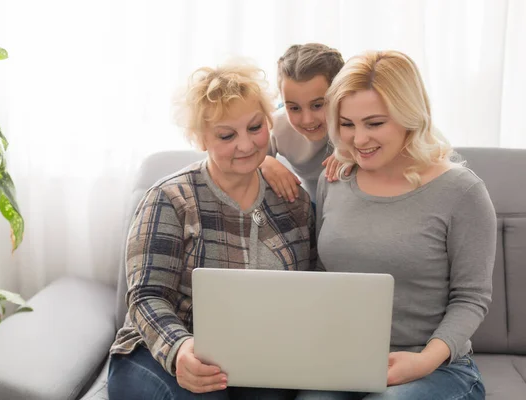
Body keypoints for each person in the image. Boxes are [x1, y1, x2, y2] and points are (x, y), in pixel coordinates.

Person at [107, 62, 316, 400]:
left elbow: (312, 291)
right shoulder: (170, 199)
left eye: (255, 127)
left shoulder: (293, 201)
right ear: (200, 138)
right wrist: (181, 350)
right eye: (226, 135)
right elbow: (146, 297)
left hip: (254, 356)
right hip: (157, 352)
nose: (246, 145)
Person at [297, 50, 497, 400]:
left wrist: (422, 362)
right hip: (346, 362)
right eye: (347, 124)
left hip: (438, 369)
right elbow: (321, 273)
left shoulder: (462, 191)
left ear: (409, 117)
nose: (359, 140)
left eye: (374, 124)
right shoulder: (334, 180)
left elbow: (471, 298)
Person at [260, 43, 348, 203]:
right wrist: (264, 162)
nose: (307, 120)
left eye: (317, 105)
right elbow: (245, 157)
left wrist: (354, 151)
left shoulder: (357, 120)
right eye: (294, 108)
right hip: (312, 205)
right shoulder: (277, 125)